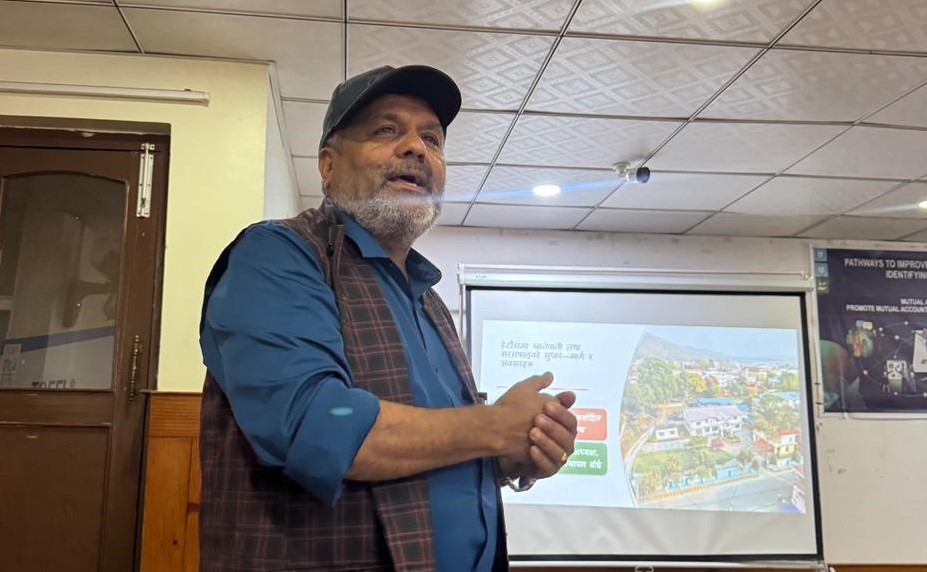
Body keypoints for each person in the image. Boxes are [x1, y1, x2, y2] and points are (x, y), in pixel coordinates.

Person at [197, 64, 579, 572]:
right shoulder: (279, 255)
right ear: (328, 165)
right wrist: (494, 427)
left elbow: (439, 445)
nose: (417, 148)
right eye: (386, 130)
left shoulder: (431, 303)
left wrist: (512, 456)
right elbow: (313, 423)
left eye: (432, 139)